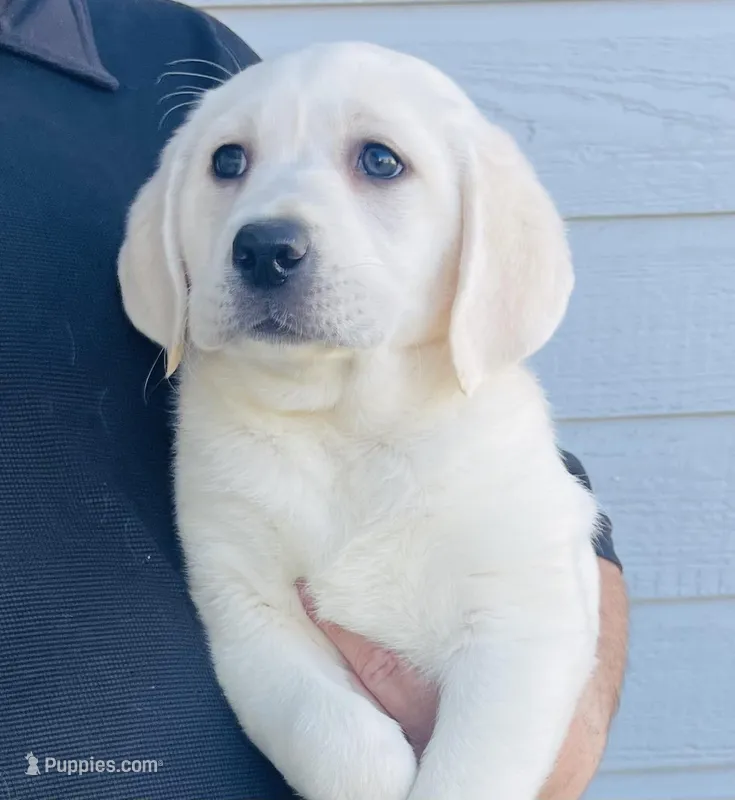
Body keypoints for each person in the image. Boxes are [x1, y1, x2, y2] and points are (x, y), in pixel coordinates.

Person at [0, 0, 628, 798]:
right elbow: (250, 617)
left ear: (481, 238)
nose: (268, 226)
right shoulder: (222, 431)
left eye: (377, 162)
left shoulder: (176, 49)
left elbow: (537, 609)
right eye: (229, 166)